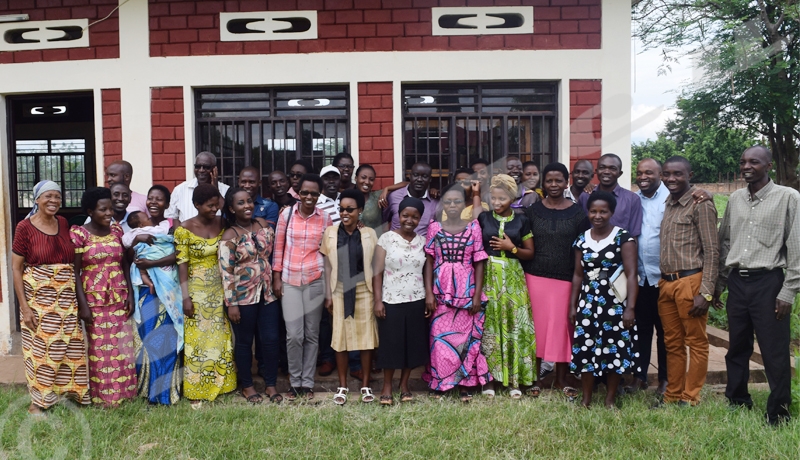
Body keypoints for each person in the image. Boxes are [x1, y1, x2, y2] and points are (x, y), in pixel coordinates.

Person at [715, 145, 800, 426]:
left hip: (770, 283)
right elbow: (725, 242)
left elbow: (797, 248)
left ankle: (779, 412)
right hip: (739, 282)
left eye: (754, 161)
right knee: (737, 346)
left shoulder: (788, 198)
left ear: (769, 166)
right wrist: (721, 283)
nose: (746, 166)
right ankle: (738, 400)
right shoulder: (736, 199)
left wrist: (788, 290)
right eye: (743, 162)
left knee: (774, 350)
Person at [12, 181, 90, 414]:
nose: (54, 201)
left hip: (66, 299)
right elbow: (16, 269)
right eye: (48, 196)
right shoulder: (24, 228)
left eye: (57, 196)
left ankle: (71, 394)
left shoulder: (64, 223)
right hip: (39, 301)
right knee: (43, 350)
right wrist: (24, 308)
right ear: (36, 199)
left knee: (71, 348)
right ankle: (38, 402)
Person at [654, 156, 719, 407]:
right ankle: (672, 394)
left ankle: (690, 397)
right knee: (672, 343)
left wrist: (707, 292)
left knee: (696, 341)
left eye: (678, 174)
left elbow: (712, 250)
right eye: (667, 174)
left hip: (690, 282)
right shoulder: (669, 203)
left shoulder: (700, 203)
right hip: (667, 283)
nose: (671, 179)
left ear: (689, 175)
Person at [522, 163, 590, 401]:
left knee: (562, 328)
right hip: (535, 277)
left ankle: (561, 378)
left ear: (566, 182)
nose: (553, 185)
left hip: (565, 279)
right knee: (537, 329)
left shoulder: (578, 214)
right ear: (543, 183)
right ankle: (535, 378)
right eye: (549, 181)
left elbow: (583, 248)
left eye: (558, 181)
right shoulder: (532, 212)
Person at [569, 191, 640, 408]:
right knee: (586, 348)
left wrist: (630, 308)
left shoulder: (623, 237)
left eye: (603, 211)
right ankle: (586, 398)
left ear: (611, 212)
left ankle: (610, 399)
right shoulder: (582, 239)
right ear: (587, 212)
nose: (597, 216)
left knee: (614, 348)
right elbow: (577, 275)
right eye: (593, 211)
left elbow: (631, 274)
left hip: (614, 303)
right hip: (588, 303)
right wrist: (573, 306)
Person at [423, 184, 491, 402]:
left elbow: (479, 261)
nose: (452, 205)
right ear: (443, 204)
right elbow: (429, 261)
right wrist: (429, 294)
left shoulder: (473, 227)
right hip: (440, 290)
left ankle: (465, 383)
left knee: (465, 339)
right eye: (448, 201)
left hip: (466, 289)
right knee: (440, 339)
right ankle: (441, 383)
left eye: (457, 201)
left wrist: (476, 295)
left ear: (465, 205)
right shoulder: (434, 228)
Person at [71, 187, 137, 406]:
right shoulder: (79, 234)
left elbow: (124, 263)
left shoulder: (116, 230)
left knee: (122, 346)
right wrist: (84, 306)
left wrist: (129, 294)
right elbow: (75, 272)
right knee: (100, 350)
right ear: (90, 210)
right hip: (95, 300)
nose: (109, 212)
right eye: (103, 209)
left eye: (110, 208)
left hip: (119, 296)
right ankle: (103, 398)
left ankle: (125, 395)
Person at [175, 184, 236, 408]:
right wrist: (186, 298)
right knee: (197, 343)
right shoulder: (184, 229)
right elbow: (182, 265)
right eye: (210, 205)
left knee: (220, 339)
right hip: (196, 294)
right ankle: (197, 389)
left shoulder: (223, 222)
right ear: (196, 205)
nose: (215, 209)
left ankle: (223, 385)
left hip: (220, 289)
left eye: (216, 204)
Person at [219, 187, 281, 404]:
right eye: (240, 203)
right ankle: (247, 385)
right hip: (242, 298)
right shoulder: (229, 235)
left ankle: (271, 384)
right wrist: (232, 303)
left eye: (249, 201)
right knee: (245, 342)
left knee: (271, 340)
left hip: (268, 295)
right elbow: (226, 273)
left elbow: (273, 254)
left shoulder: (263, 225)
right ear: (231, 208)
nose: (247, 206)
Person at [273, 174, 332, 401]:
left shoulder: (325, 219)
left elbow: (327, 253)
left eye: (314, 193)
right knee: (294, 335)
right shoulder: (286, 214)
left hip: (315, 279)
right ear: (298, 193)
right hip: (289, 279)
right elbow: (279, 247)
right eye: (305, 192)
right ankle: (294, 380)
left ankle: (307, 383)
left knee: (312, 333)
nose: (309, 197)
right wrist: (277, 278)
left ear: (319, 195)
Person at [478, 174, 537, 398]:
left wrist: (511, 247)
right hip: (489, 276)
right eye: (493, 198)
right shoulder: (484, 218)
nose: (497, 203)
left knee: (514, 325)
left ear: (512, 197)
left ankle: (514, 381)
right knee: (490, 326)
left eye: (502, 198)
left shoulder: (522, 220)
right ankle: (490, 380)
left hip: (513, 277)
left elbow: (530, 253)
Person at [321, 189, 379, 405]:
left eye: (350, 209)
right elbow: (327, 265)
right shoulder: (330, 232)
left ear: (360, 211)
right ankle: (343, 385)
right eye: (341, 209)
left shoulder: (369, 234)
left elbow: (374, 265)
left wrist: (377, 297)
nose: (345, 213)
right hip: (339, 290)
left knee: (366, 340)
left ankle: (365, 385)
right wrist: (328, 294)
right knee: (340, 339)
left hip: (364, 290)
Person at [123, 205, 183, 406]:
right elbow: (131, 257)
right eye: (150, 201)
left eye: (160, 200)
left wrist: (152, 264)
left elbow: (178, 254)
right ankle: (149, 391)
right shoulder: (135, 235)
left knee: (167, 340)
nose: (153, 206)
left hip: (169, 291)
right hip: (147, 294)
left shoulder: (168, 229)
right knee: (150, 341)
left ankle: (166, 393)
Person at [373, 197, 429, 405]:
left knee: (412, 344)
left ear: (420, 219)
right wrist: (378, 300)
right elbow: (377, 273)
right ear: (399, 215)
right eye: (405, 215)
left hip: (416, 298)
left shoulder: (422, 241)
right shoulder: (386, 238)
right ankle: (387, 385)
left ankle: (404, 384)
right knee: (391, 344)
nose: (409, 220)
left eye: (415, 217)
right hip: (391, 299)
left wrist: (428, 297)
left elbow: (426, 271)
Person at [628, 158, 669, 395]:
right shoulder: (635, 199)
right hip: (641, 278)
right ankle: (639, 376)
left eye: (649, 173)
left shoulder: (670, 198)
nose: (643, 177)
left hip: (664, 278)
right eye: (639, 172)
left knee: (665, 333)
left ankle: (664, 379)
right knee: (640, 330)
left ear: (660, 174)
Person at [579, 154, 642, 237]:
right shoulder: (586, 196)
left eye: (612, 168)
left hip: (621, 249)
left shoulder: (632, 199)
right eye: (602, 167)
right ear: (596, 171)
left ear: (620, 173)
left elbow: (634, 235)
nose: (606, 172)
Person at [166, 152, 229, 221]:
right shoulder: (180, 190)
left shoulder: (226, 190)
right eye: (197, 166)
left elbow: (230, 215)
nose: (201, 170)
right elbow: (172, 218)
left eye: (206, 167)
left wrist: (216, 189)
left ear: (215, 169)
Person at [383, 162, 439, 237]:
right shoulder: (394, 196)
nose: (419, 179)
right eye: (416, 175)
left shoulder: (435, 202)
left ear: (430, 179)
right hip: (394, 245)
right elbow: (383, 221)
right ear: (410, 176)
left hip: (422, 247)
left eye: (424, 176)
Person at [354, 164, 384, 236]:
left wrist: (387, 189)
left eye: (371, 179)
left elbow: (406, 184)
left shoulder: (378, 196)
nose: (367, 182)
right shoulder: (348, 198)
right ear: (356, 178)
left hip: (375, 243)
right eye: (363, 177)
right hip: (354, 244)